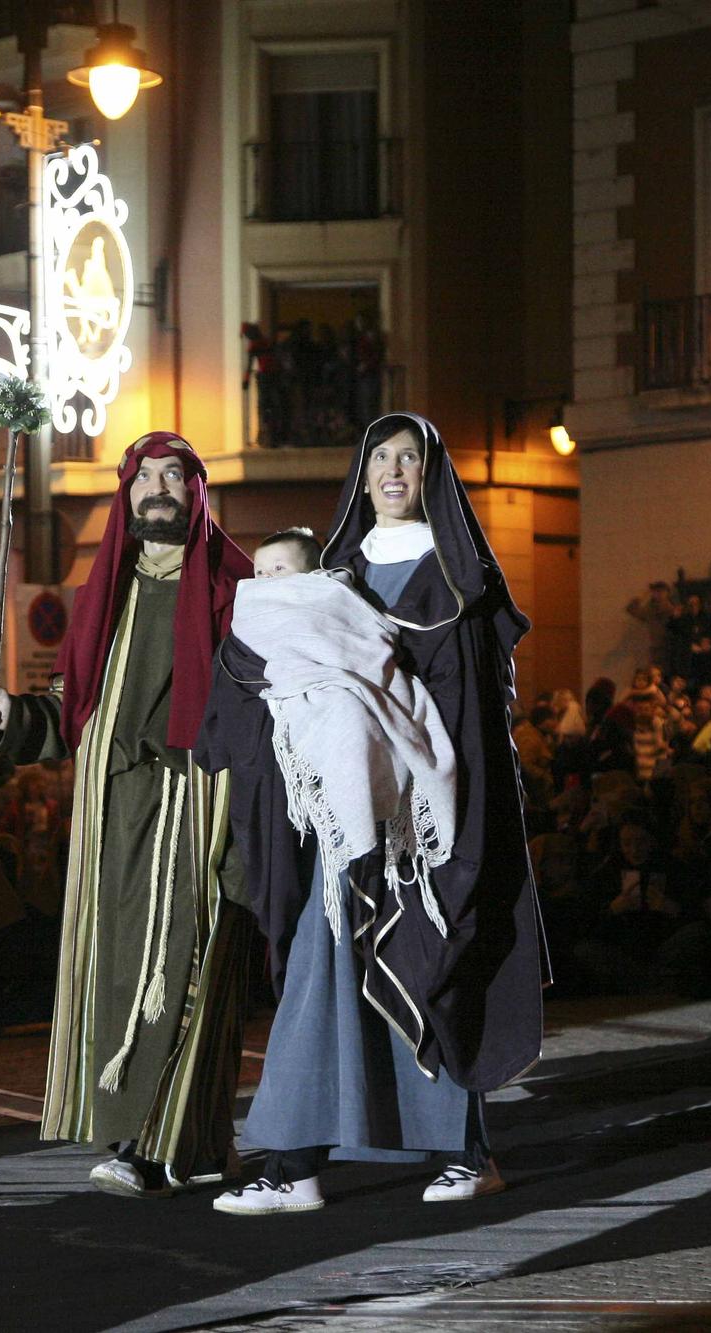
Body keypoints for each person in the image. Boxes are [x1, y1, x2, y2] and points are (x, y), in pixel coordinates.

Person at [197, 412, 546, 1215]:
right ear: (361, 472)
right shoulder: (337, 570)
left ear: (432, 473)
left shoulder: (458, 573)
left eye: (410, 458)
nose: (394, 470)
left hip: (428, 814)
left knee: (431, 964)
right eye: (380, 457)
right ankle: (295, 1163)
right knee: (324, 976)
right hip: (348, 822)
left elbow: (475, 711)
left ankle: (470, 1152)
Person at [0, 432, 253, 1198]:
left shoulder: (238, 589)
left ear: (197, 493)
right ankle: (176, 1140)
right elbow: (70, 710)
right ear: (125, 495)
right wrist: (11, 713)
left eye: (174, 475)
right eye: (144, 476)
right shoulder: (108, 593)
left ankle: (154, 1143)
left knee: (183, 972)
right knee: (119, 972)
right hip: (109, 820)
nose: (158, 487)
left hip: (194, 812)